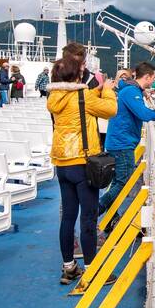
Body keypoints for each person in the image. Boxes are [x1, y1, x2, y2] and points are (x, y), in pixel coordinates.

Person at [47, 58, 117, 283]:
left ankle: (69, 266)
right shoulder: (83, 97)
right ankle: (92, 269)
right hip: (81, 163)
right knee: (88, 218)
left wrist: (94, 91)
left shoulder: (54, 96)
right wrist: (106, 90)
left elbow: (78, 107)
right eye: (80, 71)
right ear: (74, 76)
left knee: (68, 217)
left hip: (62, 163)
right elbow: (110, 110)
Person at [100, 62, 155, 221]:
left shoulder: (130, 89)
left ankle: (110, 216)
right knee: (122, 182)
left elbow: (137, 107)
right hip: (122, 144)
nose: (154, 81)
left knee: (118, 181)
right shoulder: (131, 91)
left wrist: (146, 97)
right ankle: (98, 208)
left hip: (119, 142)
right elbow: (143, 114)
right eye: (153, 78)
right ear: (148, 76)